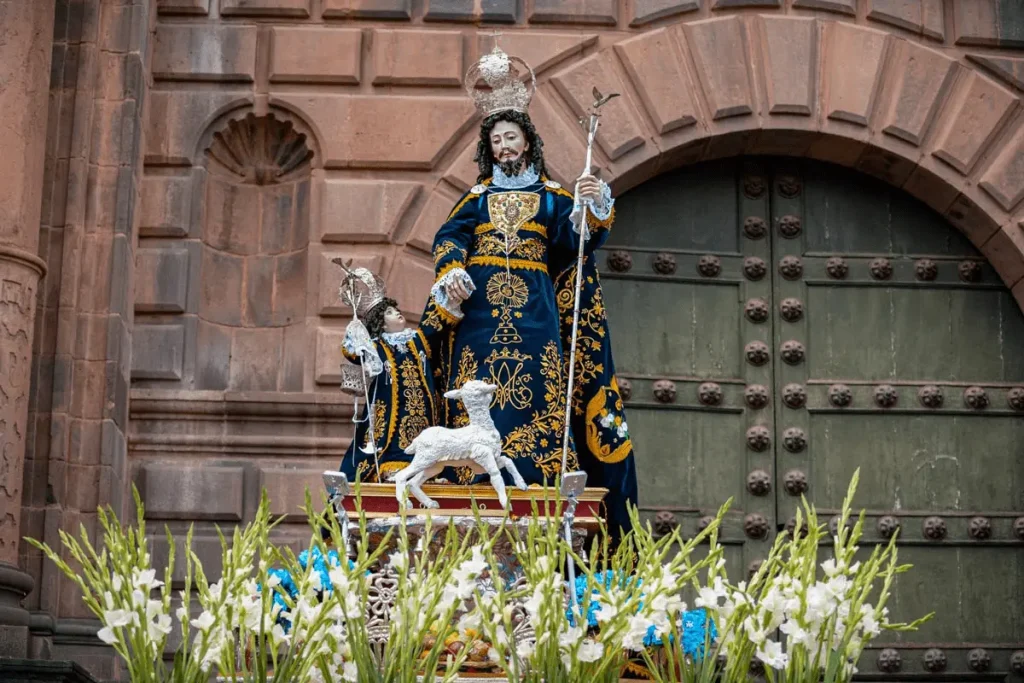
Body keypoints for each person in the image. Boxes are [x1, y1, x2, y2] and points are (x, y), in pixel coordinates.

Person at [419, 44, 638, 540]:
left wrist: (590, 204)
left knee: (539, 387)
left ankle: (539, 474)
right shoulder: (475, 200)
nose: (503, 146)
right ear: (488, 147)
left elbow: (574, 241)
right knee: (474, 393)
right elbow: (447, 239)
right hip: (479, 316)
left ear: (528, 142)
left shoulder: (550, 197)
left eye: (511, 136)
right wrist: (452, 267)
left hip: (536, 313)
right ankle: (469, 475)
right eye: (496, 139)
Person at [337, 265, 437, 484]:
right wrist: (355, 329)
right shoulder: (376, 346)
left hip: (422, 406)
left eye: (395, 309)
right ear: (380, 324)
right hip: (390, 405)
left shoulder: (417, 339)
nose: (397, 313)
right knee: (391, 438)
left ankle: (425, 469)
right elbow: (352, 353)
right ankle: (392, 466)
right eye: (390, 313)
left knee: (424, 436)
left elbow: (437, 326)